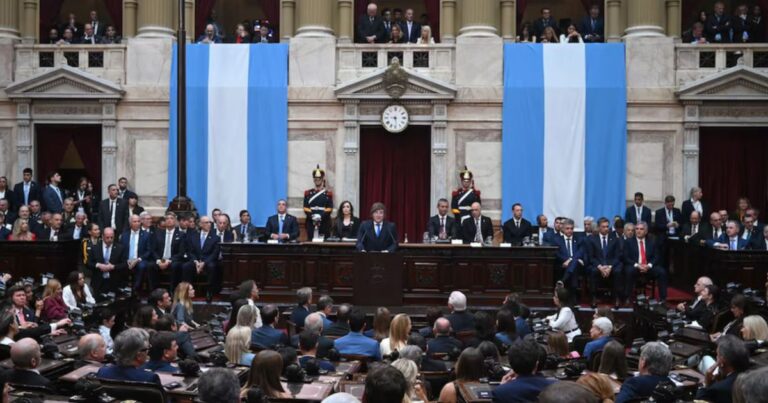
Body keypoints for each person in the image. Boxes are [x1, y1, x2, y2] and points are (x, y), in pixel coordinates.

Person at [97, 328, 161, 384]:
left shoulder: (103, 372)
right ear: (138, 355)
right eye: (147, 348)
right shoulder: (150, 378)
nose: (148, 351)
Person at [696, 335, 750, 402]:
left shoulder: (719, 389)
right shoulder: (754, 375)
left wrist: (706, 384)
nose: (716, 358)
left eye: (717, 355)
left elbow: (700, 400)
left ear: (721, 361)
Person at [624, 221, 669, 302]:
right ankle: (627, 297)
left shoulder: (652, 241)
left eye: (641, 229)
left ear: (646, 231)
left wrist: (649, 265)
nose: (638, 231)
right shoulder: (629, 242)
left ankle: (663, 299)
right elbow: (626, 257)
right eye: (637, 229)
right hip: (635, 266)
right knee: (628, 271)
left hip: (648, 267)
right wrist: (637, 265)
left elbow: (656, 256)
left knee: (662, 272)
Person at [182, 216, 220, 302]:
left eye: (210, 222)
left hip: (208, 261)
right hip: (196, 260)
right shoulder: (193, 236)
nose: (209, 224)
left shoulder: (215, 237)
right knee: (186, 266)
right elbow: (190, 251)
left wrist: (204, 263)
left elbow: (215, 253)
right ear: (200, 224)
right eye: (206, 222)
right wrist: (195, 261)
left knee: (212, 267)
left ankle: (209, 291)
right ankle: (188, 291)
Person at [588, 217, 623, 307]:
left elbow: (617, 256)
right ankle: (593, 297)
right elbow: (591, 257)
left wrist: (610, 267)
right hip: (598, 265)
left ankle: (616, 298)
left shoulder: (614, 238)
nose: (606, 228)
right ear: (599, 227)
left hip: (611, 265)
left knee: (618, 271)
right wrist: (600, 267)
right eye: (603, 227)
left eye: (607, 226)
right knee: (593, 271)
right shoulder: (592, 239)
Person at [88, 227, 127, 298]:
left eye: (112, 237)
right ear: (102, 236)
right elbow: (89, 263)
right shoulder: (95, 247)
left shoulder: (120, 248)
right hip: (98, 281)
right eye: (107, 237)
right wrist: (98, 265)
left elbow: (125, 264)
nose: (110, 240)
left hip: (114, 281)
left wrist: (113, 267)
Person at [153, 212, 187, 291]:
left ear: (175, 221)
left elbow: (181, 252)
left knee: (175, 266)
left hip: (173, 259)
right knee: (151, 266)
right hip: (161, 259)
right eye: (167, 219)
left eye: (171, 218)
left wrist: (168, 261)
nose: (169, 220)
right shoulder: (158, 233)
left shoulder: (181, 234)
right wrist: (159, 261)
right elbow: (153, 250)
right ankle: (155, 291)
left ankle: (172, 291)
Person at [555, 219, 586, 296]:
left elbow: (580, 252)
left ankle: (563, 281)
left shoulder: (579, 239)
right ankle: (573, 296)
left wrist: (570, 260)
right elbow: (557, 254)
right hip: (563, 264)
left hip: (577, 265)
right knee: (574, 265)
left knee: (574, 263)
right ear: (563, 229)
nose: (570, 230)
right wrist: (568, 260)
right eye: (567, 228)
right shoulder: (557, 240)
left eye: (571, 228)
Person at [121, 214, 152, 291]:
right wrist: (127, 260)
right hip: (127, 259)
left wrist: (138, 259)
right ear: (130, 223)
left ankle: (136, 288)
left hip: (140, 259)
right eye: (135, 221)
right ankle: (122, 288)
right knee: (119, 266)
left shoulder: (146, 235)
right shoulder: (124, 235)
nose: (137, 223)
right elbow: (121, 250)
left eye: (138, 221)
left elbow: (149, 251)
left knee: (141, 266)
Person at [303, 165, 334, 240]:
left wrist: (320, 217)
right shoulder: (308, 193)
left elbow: (329, 208)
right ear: (313, 180)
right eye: (315, 179)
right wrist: (313, 217)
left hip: (324, 222)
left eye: (319, 179)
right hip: (311, 222)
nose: (317, 180)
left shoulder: (328, 194)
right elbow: (306, 208)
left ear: (323, 179)